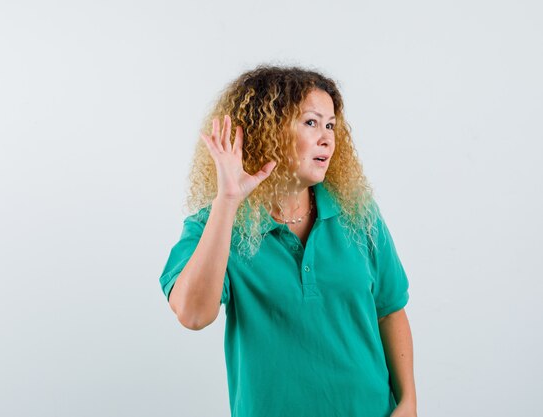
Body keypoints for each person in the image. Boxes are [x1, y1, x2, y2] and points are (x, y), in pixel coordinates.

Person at [159, 65, 417, 417]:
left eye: (330, 125)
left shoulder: (357, 213)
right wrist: (228, 201)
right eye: (311, 122)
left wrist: (408, 403)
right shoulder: (217, 224)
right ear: (268, 132)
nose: (327, 137)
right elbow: (192, 314)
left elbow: (389, 311)